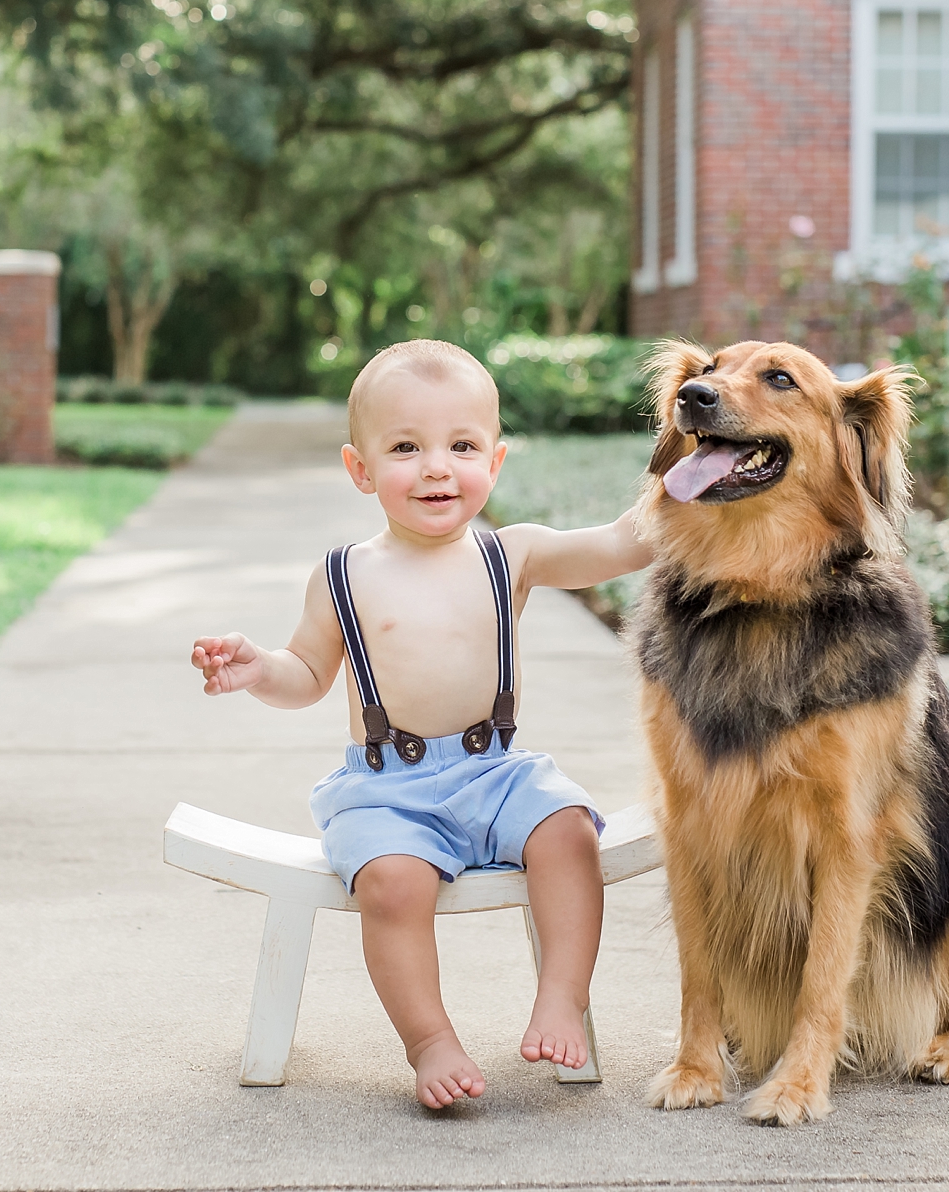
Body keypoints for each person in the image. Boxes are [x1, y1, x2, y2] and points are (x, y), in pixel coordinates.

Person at [190, 339, 652, 1109]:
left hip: (496, 771)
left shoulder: (516, 554)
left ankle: (561, 996)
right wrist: (257, 670)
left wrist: (689, 475)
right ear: (360, 470)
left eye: (461, 446)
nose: (437, 466)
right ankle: (429, 1039)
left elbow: (618, 545)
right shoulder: (343, 575)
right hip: (387, 789)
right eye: (406, 447)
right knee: (392, 887)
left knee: (568, 830)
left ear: (495, 463)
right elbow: (306, 674)